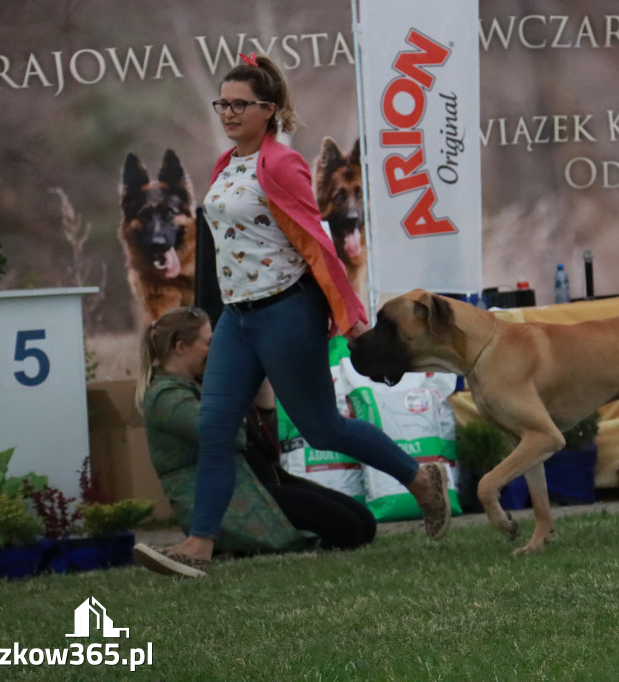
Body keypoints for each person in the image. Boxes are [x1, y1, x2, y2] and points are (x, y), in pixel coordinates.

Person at [134, 53, 450, 578]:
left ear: (269, 110)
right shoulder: (225, 165)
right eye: (223, 103)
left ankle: (420, 480)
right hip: (238, 318)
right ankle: (199, 546)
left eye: (240, 105)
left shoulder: (283, 163)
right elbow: (226, 248)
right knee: (214, 428)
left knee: (322, 427)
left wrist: (351, 319)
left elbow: (316, 245)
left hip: (287, 313)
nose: (228, 113)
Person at [132, 306, 379, 577]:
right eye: (209, 343)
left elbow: (264, 443)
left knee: (364, 523)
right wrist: (236, 388)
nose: (215, 350)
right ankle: (238, 544)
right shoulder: (165, 397)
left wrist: (262, 396)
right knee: (348, 530)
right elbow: (222, 434)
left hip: (258, 483)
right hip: (237, 498)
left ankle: (248, 546)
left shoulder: (201, 385)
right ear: (181, 347)